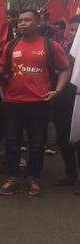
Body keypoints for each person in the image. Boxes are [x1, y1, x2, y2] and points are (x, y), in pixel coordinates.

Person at [0, 9, 70, 197]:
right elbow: (1, 70)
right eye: (20, 21)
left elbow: (65, 69)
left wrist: (57, 91)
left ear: (38, 22)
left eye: (27, 20)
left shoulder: (50, 45)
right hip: (12, 103)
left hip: (39, 103)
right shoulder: (11, 46)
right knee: (11, 142)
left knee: (36, 144)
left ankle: (33, 177)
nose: (22, 24)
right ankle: (14, 178)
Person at [51, 14, 80, 195]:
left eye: (78, 30)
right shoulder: (65, 47)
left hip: (78, 97)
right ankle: (70, 174)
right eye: (73, 29)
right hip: (63, 98)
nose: (74, 32)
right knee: (64, 137)